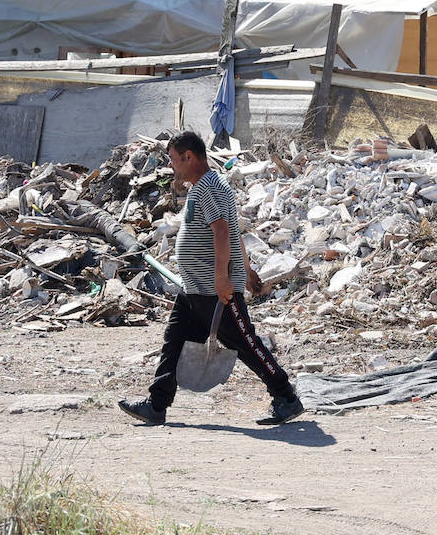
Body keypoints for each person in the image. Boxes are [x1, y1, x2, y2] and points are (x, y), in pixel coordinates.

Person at [118, 130, 305, 426]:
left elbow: (222, 231)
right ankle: (157, 404)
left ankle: (287, 397)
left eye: (173, 159)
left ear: (188, 156)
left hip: (213, 290)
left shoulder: (209, 187)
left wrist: (223, 278)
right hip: (194, 288)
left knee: (246, 344)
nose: (171, 165)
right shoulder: (206, 185)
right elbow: (233, 230)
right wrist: (247, 267)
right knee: (174, 342)